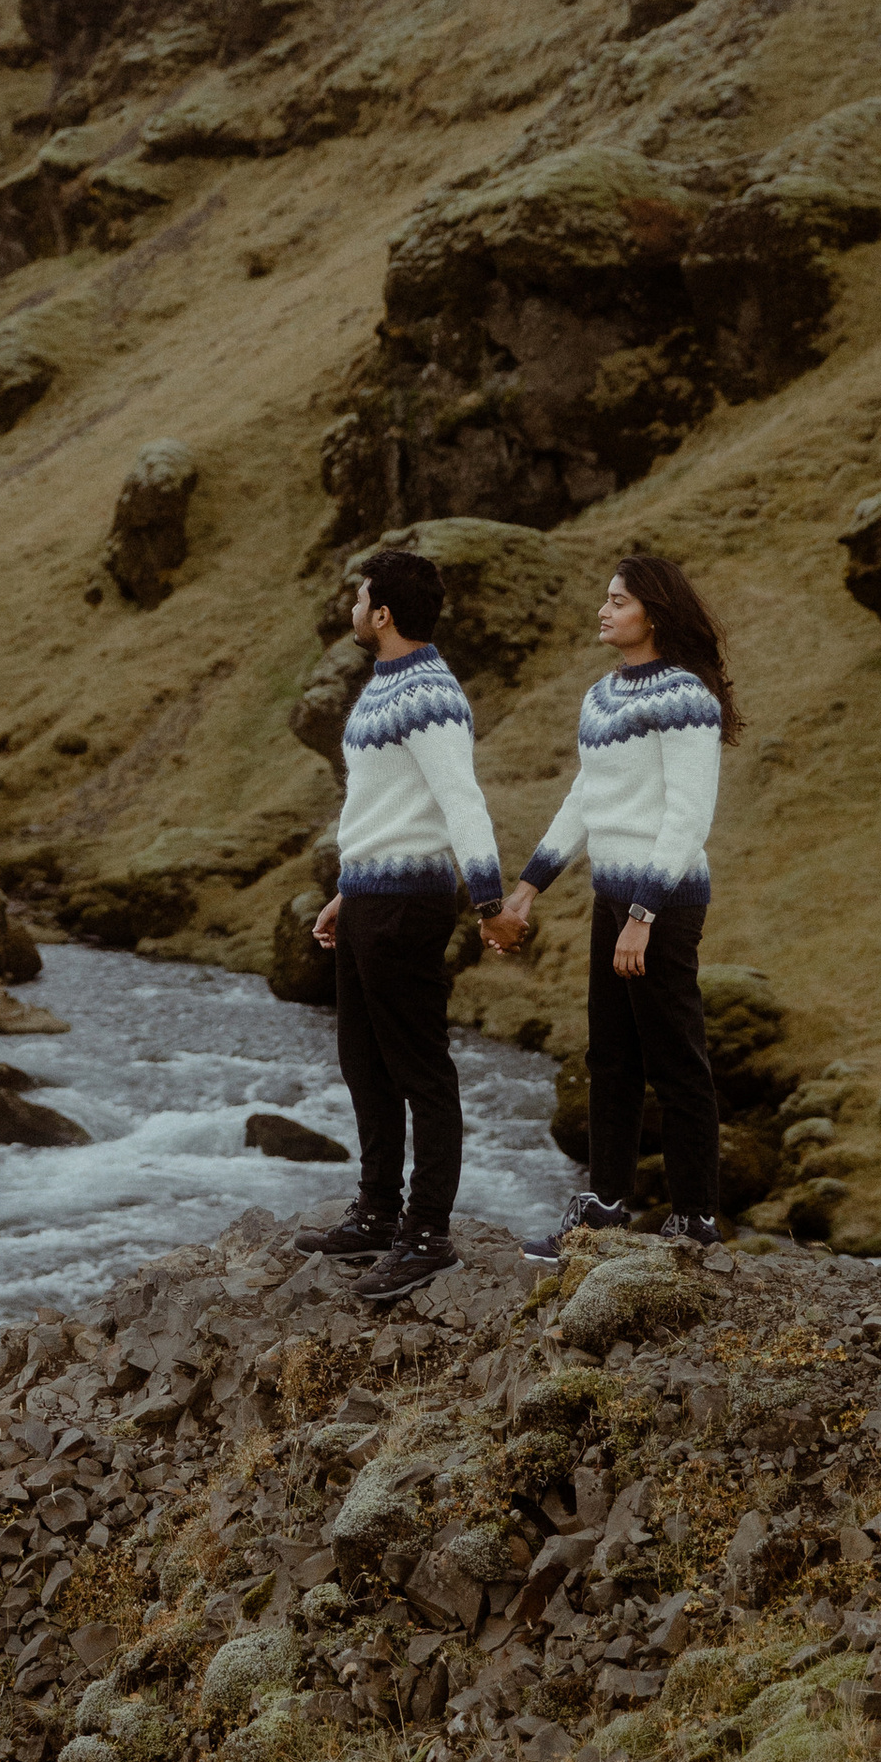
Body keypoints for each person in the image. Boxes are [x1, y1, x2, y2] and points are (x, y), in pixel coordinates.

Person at [481, 553, 736, 1256]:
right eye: (606, 598)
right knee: (611, 1059)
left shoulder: (686, 698)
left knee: (676, 1060)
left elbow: (689, 817)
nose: (604, 610)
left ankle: (696, 1219)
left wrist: (644, 916)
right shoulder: (600, 696)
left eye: (619, 601)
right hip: (610, 897)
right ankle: (604, 1208)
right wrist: (527, 889)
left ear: (653, 613)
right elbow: (584, 800)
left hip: (665, 902)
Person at [296, 544, 504, 1301]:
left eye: (360, 600)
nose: (352, 609)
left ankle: (427, 1234)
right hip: (370, 897)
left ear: (382, 615)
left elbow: (461, 800)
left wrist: (489, 901)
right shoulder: (384, 684)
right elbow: (384, 805)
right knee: (363, 1061)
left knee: (422, 1071)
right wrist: (348, 890)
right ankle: (378, 1211)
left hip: (411, 904)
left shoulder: (432, 696)